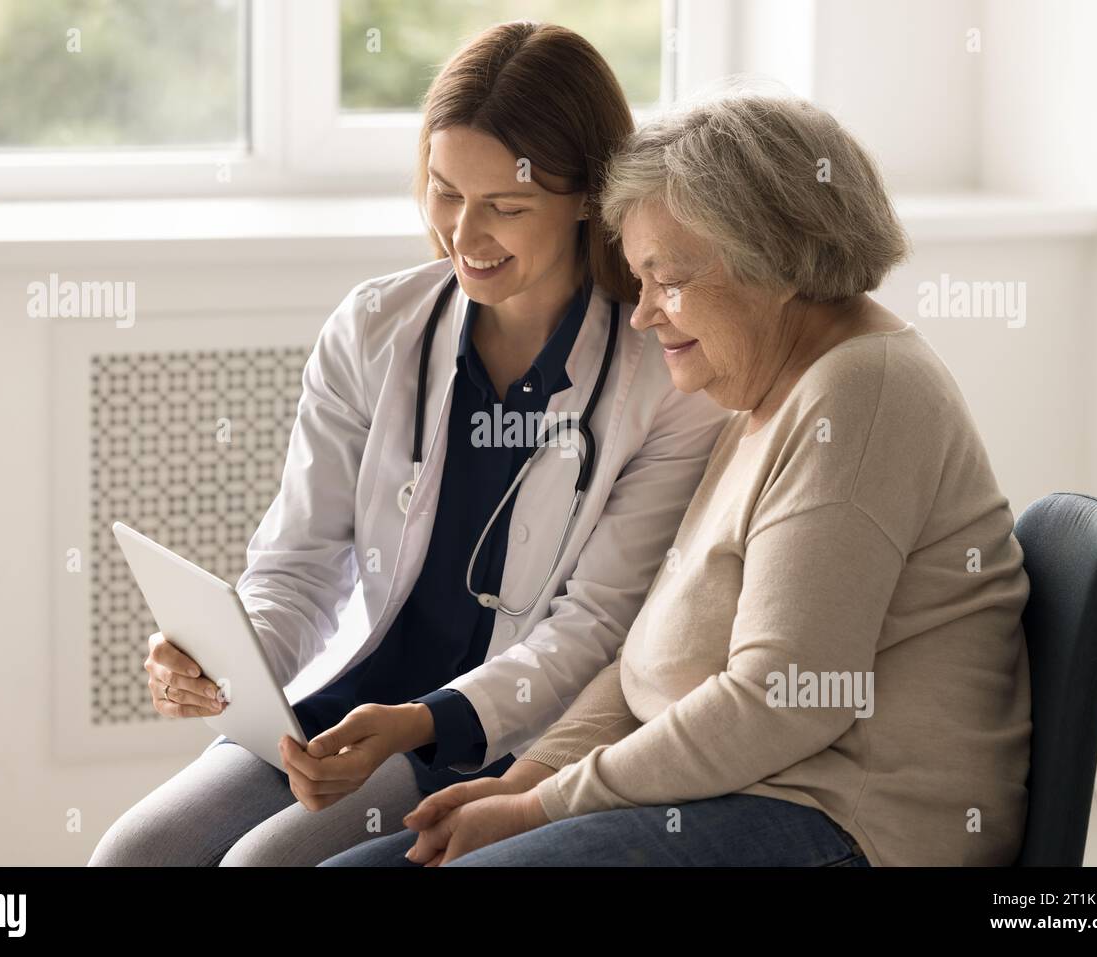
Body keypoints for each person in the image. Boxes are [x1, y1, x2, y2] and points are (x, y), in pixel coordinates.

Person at [320, 90, 1033, 868]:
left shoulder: (862, 394)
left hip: (845, 822)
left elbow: (783, 700)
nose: (643, 314)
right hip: (736, 795)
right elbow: (638, 665)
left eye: (667, 278)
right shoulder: (761, 399)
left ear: (775, 256)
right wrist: (527, 780)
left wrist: (540, 807)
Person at [88, 22, 728, 867]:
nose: (465, 234)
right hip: (350, 703)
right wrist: (224, 662)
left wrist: (424, 721)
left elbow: (596, 624)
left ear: (586, 198)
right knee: (134, 853)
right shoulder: (375, 329)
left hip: (488, 732)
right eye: (444, 191)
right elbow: (300, 563)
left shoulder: (661, 381)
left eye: (506, 206)